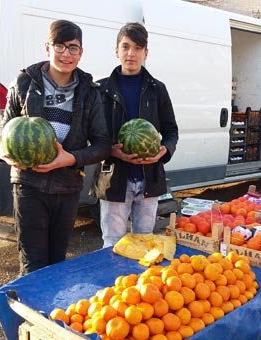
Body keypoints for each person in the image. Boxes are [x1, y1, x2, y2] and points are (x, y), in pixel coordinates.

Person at [0, 20, 111, 275]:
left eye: (73, 48)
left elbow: (102, 145)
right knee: (33, 263)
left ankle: (50, 314)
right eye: (60, 46)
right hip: (28, 186)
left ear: (81, 52)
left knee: (57, 263)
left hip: (67, 187)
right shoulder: (24, 84)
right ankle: (28, 314)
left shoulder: (89, 92)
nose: (66, 54)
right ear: (48, 47)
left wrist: (69, 159)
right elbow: (0, 141)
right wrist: (8, 155)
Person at [97, 22, 179, 248]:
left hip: (149, 179)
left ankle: (140, 284)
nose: (130, 53)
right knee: (112, 243)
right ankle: (112, 283)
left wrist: (164, 151)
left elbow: (171, 131)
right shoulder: (101, 90)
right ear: (116, 51)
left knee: (145, 242)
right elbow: (92, 136)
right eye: (125, 47)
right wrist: (111, 151)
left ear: (146, 53)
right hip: (114, 179)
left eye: (137, 48)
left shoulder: (157, 89)